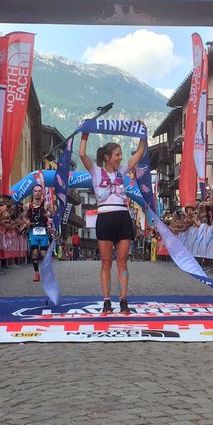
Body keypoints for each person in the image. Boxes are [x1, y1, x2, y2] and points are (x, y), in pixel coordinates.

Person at [78, 124, 148, 314]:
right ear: (107, 157)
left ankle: (124, 301)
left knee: (123, 262)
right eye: (117, 154)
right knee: (106, 262)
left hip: (123, 217)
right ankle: (107, 301)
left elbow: (140, 152)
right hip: (105, 219)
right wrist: (85, 132)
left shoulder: (122, 171)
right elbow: (82, 154)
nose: (121, 158)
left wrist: (143, 133)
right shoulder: (96, 172)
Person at [26, 184, 53, 282]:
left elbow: (54, 214)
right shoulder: (28, 206)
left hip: (43, 231)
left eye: (39, 191)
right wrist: (26, 222)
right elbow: (23, 217)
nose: (37, 193)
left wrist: (48, 215)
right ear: (33, 193)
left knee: (43, 253)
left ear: (42, 193)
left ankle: (46, 272)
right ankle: (37, 274)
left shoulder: (46, 204)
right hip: (33, 231)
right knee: (34, 252)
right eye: (35, 191)